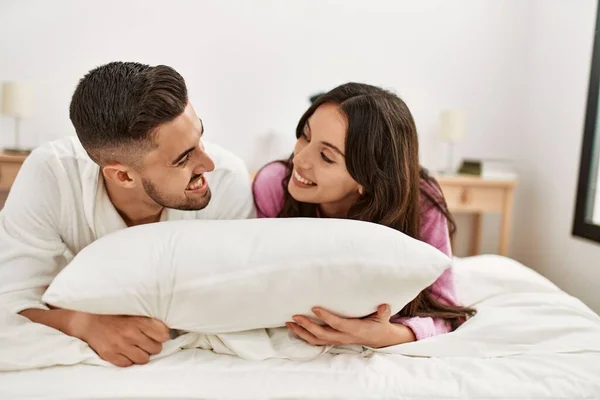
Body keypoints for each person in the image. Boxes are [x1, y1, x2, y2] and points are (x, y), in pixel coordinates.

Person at [0, 61, 255, 367]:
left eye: (199, 136)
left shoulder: (227, 178)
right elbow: (12, 300)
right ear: (122, 176)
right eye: (184, 158)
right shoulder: (51, 175)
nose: (208, 164)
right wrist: (81, 324)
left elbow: (245, 297)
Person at [252, 82, 476, 349]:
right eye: (305, 135)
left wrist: (389, 336)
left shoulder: (421, 201)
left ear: (367, 178)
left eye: (325, 156)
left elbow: (447, 311)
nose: (299, 159)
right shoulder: (274, 184)